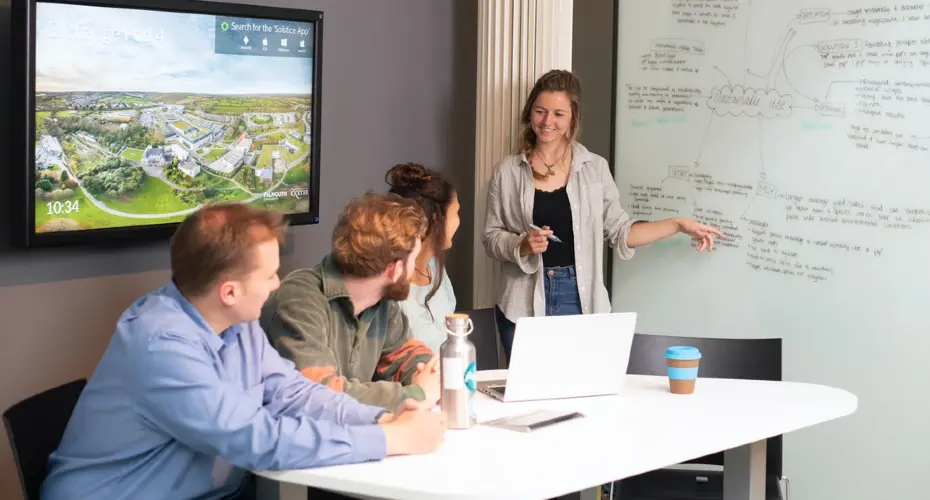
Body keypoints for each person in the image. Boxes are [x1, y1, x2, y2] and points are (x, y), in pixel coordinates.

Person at [41, 203, 446, 500]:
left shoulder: (236, 322)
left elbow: (292, 394)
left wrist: (383, 417)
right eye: (269, 275)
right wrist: (389, 439)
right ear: (230, 292)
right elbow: (256, 438)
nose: (277, 284)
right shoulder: (160, 346)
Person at [483, 69, 724, 362]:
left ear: (573, 118)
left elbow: (622, 231)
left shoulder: (594, 168)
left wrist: (678, 224)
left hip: (580, 298)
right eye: (540, 111)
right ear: (529, 113)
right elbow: (491, 237)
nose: (547, 122)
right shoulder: (507, 171)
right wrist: (521, 244)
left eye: (558, 114)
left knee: (583, 386)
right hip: (522, 302)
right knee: (528, 389)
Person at [260, 193, 441, 411]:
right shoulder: (298, 299)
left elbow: (406, 356)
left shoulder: (382, 302)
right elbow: (321, 394)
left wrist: (434, 372)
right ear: (395, 269)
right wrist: (415, 394)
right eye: (414, 258)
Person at [385, 163, 461, 352]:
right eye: (456, 213)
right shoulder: (391, 284)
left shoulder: (435, 267)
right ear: (436, 219)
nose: (459, 221)